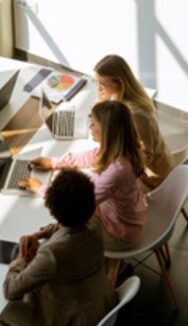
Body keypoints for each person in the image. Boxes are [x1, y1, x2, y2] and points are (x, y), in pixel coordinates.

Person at [0, 169, 118, 326]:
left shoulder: (52, 254)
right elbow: (62, 228)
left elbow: (10, 290)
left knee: (2, 309)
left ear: (52, 209)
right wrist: (39, 235)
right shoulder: (95, 223)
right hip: (101, 306)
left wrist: (20, 259)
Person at [22, 100, 147, 251]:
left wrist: (39, 188)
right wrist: (54, 162)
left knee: (71, 221)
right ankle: (50, 231)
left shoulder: (117, 171)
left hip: (120, 234)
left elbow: (78, 205)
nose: (90, 127)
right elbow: (90, 156)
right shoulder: (123, 148)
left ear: (106, 132)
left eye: (94, 124)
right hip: (125, 216)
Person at [94, 54, 173, 190]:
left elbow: (145, 157)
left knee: (98, 184)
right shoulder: (121, 100)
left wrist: (112, 166)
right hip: (151, 164)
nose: (99, 89)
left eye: (103, 84)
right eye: (97, 83)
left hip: (151, 178)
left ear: (119, 83)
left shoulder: (135, 114)